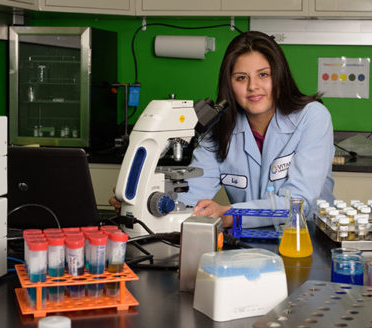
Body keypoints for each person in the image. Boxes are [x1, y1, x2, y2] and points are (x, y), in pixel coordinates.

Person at [110, 31, 335, 228]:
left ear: (279, 76)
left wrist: (230, 215)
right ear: (229, 84)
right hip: (246, 243)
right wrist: (145, 204)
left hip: (306, 241)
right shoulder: (220, 130)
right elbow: (191, 195)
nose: (253, 86)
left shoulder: (312, 117)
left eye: (263, 75)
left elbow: (298, 203)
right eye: (241, 78)